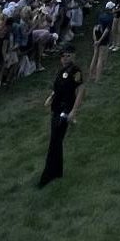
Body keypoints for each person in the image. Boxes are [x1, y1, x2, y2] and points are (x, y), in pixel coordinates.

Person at [40, 47, 84, 187]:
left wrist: (74, 111)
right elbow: (58, 88)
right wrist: (51, 97)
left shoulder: (75, 71)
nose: (65, 58)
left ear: (73, 56)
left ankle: (47, 175)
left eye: (68, 55)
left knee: (55, 141)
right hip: (56, 108)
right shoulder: (61, 71)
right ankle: (57, 171)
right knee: (56, 141)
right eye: (63, 56)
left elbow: (81, 91)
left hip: (65, 110)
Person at [89, 2, 115, 81]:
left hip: (97, 36)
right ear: (111, 9)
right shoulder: (110, 18)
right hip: (103, 39)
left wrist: (95, 40)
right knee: (100, 58)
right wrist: (100, 41)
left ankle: (91, 75)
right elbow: (107, 30)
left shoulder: (100, 16)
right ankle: (98, 78)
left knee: (94, 56)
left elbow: (95, 28)